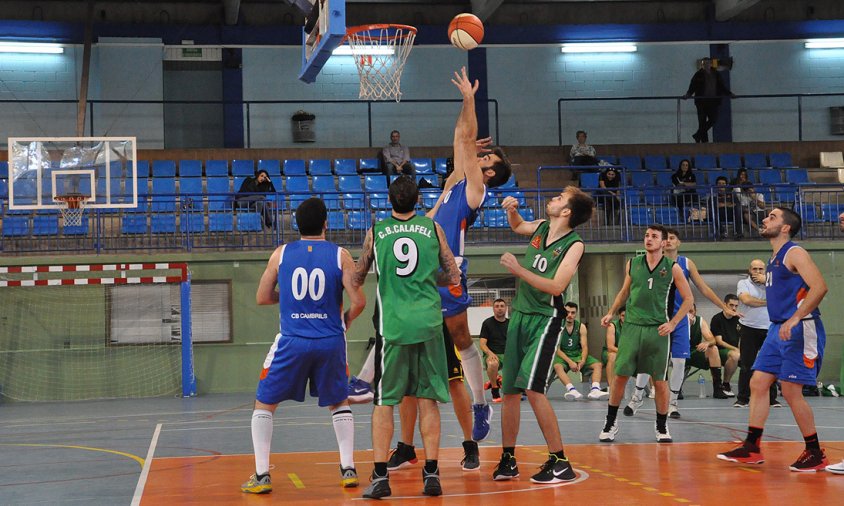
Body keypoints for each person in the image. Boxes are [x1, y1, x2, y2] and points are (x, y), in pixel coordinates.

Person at [351, 67, 512, 472]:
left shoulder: (476, 188)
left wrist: (473, 101)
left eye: (485, 156)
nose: (479, 152)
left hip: (447, 272)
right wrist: (463, 105)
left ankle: (480, 408)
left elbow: (467, 141)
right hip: (424, 272)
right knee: (406, 365)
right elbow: (461, 137)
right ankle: (401, 436)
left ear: (488, 171)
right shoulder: (456, 180)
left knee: (458, 348)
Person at [241, 197, 366, 494]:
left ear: (296, 225)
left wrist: (288, 301)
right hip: (330, 341)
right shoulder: (341, 255)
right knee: (339, 402)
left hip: (292, 340)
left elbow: (261, 296)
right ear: (326, 223)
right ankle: (348, 468)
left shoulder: (281, 254)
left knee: (264, 403)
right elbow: (359, 301)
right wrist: (343, 322)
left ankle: (261, 475)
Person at [353, 176, 461, 499]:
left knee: (385, 401)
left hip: (394, 328)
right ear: (417, 200)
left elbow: (358, 277)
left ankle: (381, 476)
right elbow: (453, 274)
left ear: (389, 199)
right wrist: (429, 277)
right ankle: (431, 473)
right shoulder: (432, 229)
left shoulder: (377, 232)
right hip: (428, 324)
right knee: (427, 400)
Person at [494, 185, 594, 483]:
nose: (553, 198)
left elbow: (556, 287)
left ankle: (560, 460)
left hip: (545, 320)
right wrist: (512, 211)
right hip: (520, 316)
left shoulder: (574, 245)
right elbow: (517, 226)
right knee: (509, 391)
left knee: (534, 389)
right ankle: (508, 458)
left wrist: (518, 269)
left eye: (560, 198)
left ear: (567, 212)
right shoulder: (540, 227)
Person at [717, 207, 829, 472]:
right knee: (758, 383)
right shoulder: (774, 257)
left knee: (790, 390)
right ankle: (752, 447)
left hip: (801, 327)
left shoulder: (795, 252)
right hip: (778, 329)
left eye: (772, 217)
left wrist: (794, 318)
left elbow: (820, 287)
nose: (765, 219)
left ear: (786, 227)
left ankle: (815, 452)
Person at [625, 227, 738, 419]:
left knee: (679, 361)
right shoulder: (648, 263)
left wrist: (723, 306)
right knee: (647, 359)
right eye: (666, 238)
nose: (668, 241)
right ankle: (636, 397)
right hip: (656, 318)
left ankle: (673, 404)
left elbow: (703, 288)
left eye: (672, 238)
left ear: (678, 243)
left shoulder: (686, 263)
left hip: (679, 319)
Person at [599, 224, 694, 443]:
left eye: (654, 236)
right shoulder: (633, 263)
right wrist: (612, 312)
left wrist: (673, 323)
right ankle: (610, 423)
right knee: (620, 376)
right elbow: (624, 292)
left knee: (659, 381)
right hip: (632, 326)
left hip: (657, 329)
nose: (648, 239)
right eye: (646, 235)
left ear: (663, 243)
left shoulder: (673, 268)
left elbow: (688, 299)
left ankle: (661, 427)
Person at [734, 259, 779, 408]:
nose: (758, 272)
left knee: (771, 363)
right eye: (755, 269)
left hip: (769, 328)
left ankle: (772, 399)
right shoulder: (743, 283)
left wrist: (766, 281)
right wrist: (769, 301)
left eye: (761, 269)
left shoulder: (772, 283)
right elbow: (747, 300)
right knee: (747, 364)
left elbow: (783, 293)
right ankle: (742, 398)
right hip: (749, 328)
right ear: (749, 270)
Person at [550, 301, 609, 401]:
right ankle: (572, 390)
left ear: (576, 313)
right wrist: (570, 362)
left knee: (597, 365)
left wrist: (583, 361)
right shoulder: (557, 326)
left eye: (573, 313)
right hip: (563, 355)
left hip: (577, 354)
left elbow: (585, 346)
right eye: (567, 312)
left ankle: (595, 390)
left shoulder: (581, 327)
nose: (570, 315)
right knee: (557, 366)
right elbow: (556, 348)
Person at [686, 304, 738, 399]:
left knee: (713, 348)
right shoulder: (675, 321)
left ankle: (718, 388)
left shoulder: (700, 321)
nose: (689, 314)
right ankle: (676, 389)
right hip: (677, 352)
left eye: (691, 311)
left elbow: (712, 340)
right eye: (686, 311)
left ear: (695, 311)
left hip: (694, 351)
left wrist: (707, 343)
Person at [683, 56, 734, 143]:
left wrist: (729, 94)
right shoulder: (698, 74)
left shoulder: (716, 74)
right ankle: (704, 141)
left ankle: (698, 135)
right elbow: (693, 86)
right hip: (701, 101)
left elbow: (721, 86)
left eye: (708, 63)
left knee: (713, 119)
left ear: (711, 64)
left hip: (713, 101)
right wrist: (688, 94)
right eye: (705, 63)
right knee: (702, 122)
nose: (706, 65)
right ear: (703, 64)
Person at [709, 294, 742, 396]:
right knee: (735, 355)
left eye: (736, 306)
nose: (734, 308)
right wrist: (736, 349)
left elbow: (742, 338)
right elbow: (719, 341)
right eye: (731, 305)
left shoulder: (739, 320)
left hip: (736, 350)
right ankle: (726, 384)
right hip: (720, 351)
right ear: (724, 304)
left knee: (755, 357)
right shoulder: (717, 319)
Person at [479, 298, 509, 403]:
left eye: (502, 306)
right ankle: (495, 389)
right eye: (497, 306)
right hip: (493, 354)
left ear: (506, 308)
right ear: (493, 309)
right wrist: (490, 353)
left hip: (508, 355)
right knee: (492, 364)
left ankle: (497, 380)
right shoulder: (487, 323)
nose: (499, 309)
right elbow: (482, 344)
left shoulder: (511, 323)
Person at [602, 306, 625, 394]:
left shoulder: (633, 326)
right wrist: (625, 352)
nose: (625, 318)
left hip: (627, 353)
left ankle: (652, 389)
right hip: (613, 352)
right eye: (623, 316)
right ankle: (612, 387)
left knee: (647, 356)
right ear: (619, 316)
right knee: (612, 356)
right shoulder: (612, 326)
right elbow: (610, 347)